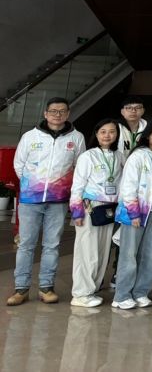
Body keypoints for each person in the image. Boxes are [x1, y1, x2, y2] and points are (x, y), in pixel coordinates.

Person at [8, 96, 86, 307]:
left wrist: (62, 188)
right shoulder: (30, 136)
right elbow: (19, 164)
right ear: (45, 114)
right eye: (53, 111)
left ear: (68, 114)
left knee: (52, 245)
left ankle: (46, 287)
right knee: (26, 245)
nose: (57, 115)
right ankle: (21, 289)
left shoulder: (76, 137)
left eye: (62, 111)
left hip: (58, 201)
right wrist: (32, 185)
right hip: (30, 200)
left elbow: (80, 166)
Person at [113, 119, 152, 309]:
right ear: (147, 136)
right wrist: (133, 212)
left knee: (148, 255)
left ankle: (140, 292)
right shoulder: (138, 156)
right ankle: (121, 295)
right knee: (129, 254)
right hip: (136, 212)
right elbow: (128, 186)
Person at [69, 118, 122, 308]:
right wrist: (76, 213)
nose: (108, 135)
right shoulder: (88, 156)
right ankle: (80, 294)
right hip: (89, 207)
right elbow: (77, 186)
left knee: (102, 252)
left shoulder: (119, 156)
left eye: (112, 131)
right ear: (96, 134)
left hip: (109, 210)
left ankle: (92, 289)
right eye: (103, 132)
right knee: (87, 252)